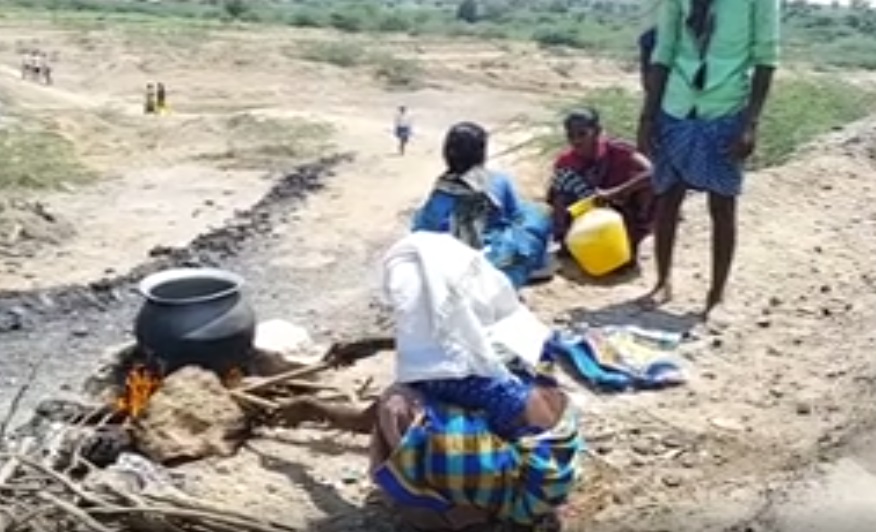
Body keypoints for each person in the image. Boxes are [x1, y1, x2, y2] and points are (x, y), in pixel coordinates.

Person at [271, 231, 582, 531]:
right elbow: (457, 333)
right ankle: (490, 490)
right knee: (431, 402)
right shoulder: (514, 334)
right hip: (557, 465)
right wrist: (377, 343)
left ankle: (463, 514)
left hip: (526, 493)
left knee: (397, 404)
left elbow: (369, 419)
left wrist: (313, 409)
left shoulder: (445, 376)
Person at [637, 0, 780, 317]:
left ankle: (715, 295)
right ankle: (662, 281)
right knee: (667, 197)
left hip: (725, 109)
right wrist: (648, 116)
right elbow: (664, 51)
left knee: (722, 206)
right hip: (674, 107)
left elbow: (766, 59)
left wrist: (750, 124)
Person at [413, 122, 553, 288]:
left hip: (449, 268)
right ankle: (534, 269)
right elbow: (515, 216)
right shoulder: (498, 181)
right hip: (495, 267)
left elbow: (424, 230)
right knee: (537, 216)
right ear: (482, 154)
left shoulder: (442, 190)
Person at [548, 109, 654, 271]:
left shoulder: (618, 151)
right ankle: (568, 244)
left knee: (651, 189)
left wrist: (616, 192)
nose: (576, 141)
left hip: (621, 209)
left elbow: (653, 173)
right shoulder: (567, 162)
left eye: (582, 134)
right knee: (562, 185)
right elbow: (557, 200)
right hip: (587, 217)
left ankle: (629, 245)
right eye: (571, 136)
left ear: (596, 131)